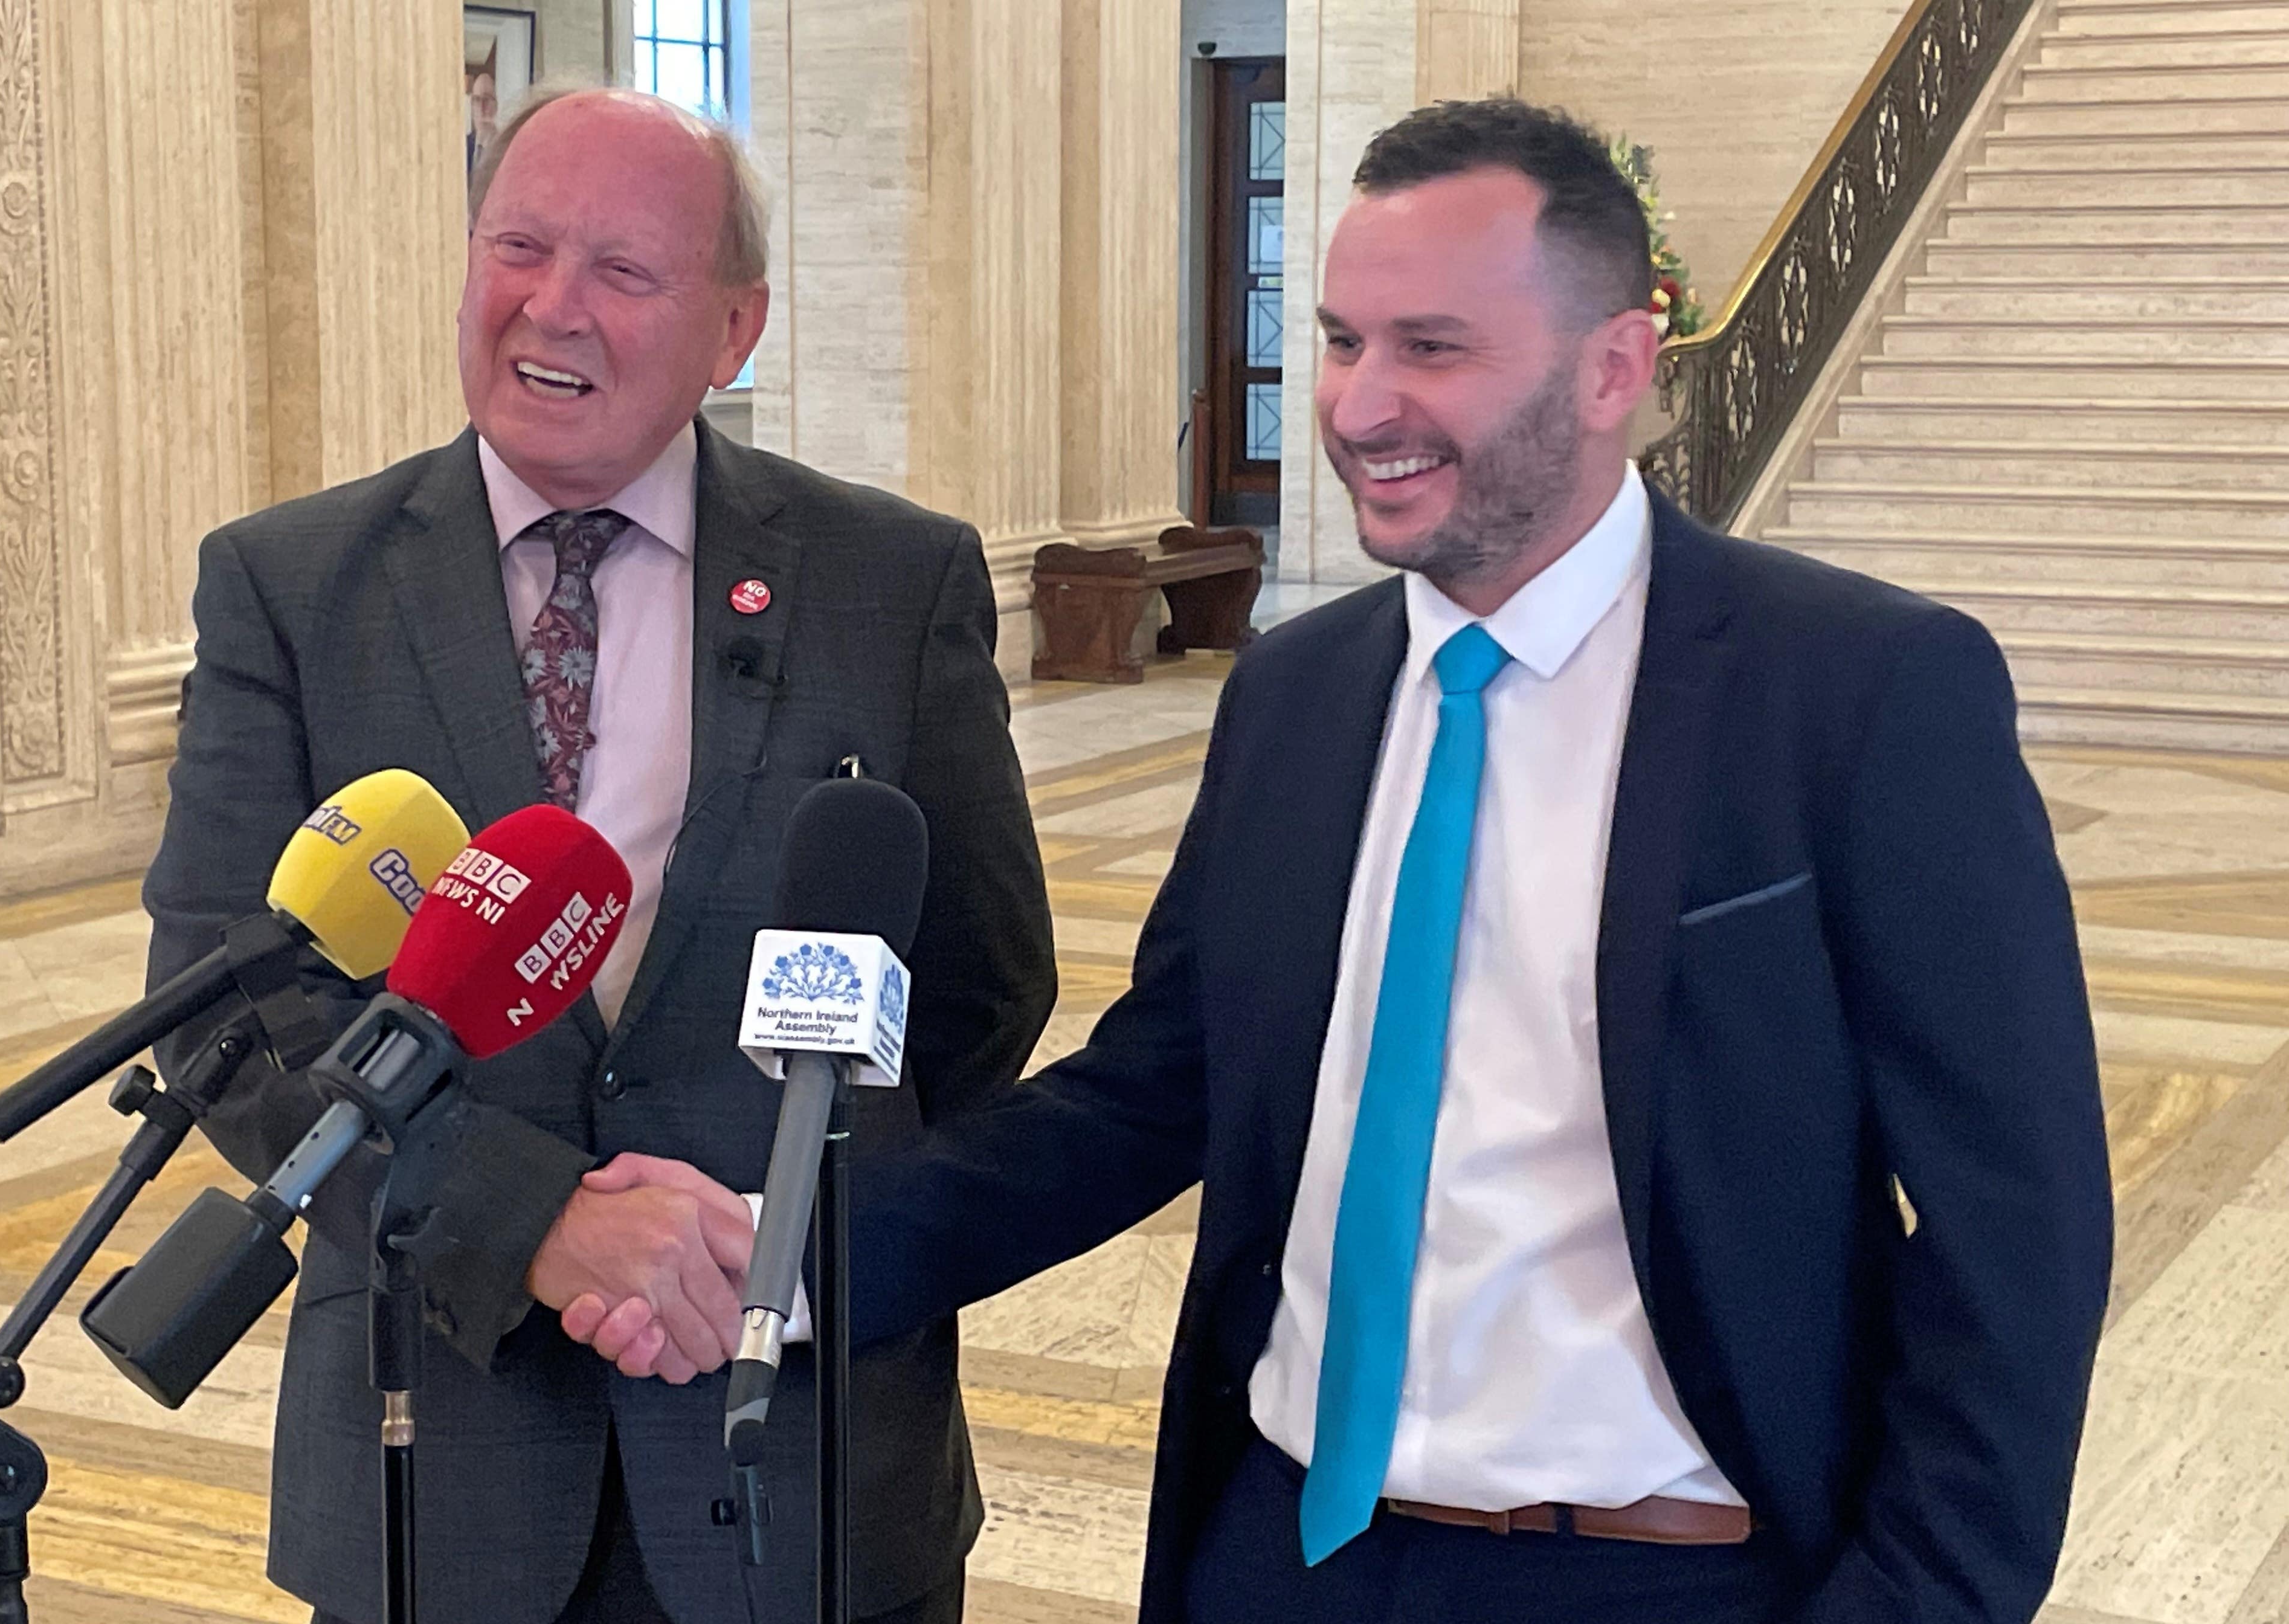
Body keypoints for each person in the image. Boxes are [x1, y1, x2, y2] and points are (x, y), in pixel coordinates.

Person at [826, 98, 2112, 1624]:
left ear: (1614, 368)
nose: (1363, 405)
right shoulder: (1297, 692)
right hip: (1283, 1552)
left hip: (1660, 1574)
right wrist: (793, 1267)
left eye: (1432, 348)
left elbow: (2015, 1232)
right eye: (1342, 340)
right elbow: (1161, 1083)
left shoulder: (1859, 694)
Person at [142, 87, 1054, 1624]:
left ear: (733, 328)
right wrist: (535, 1221)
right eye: (518, 244)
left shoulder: (892, 583)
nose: (549, 306)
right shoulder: (292, 590)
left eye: (625, 271)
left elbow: (975, 995)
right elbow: (226, 1014)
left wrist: (767, 1255)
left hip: (805, 1465)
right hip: (438, 1463)